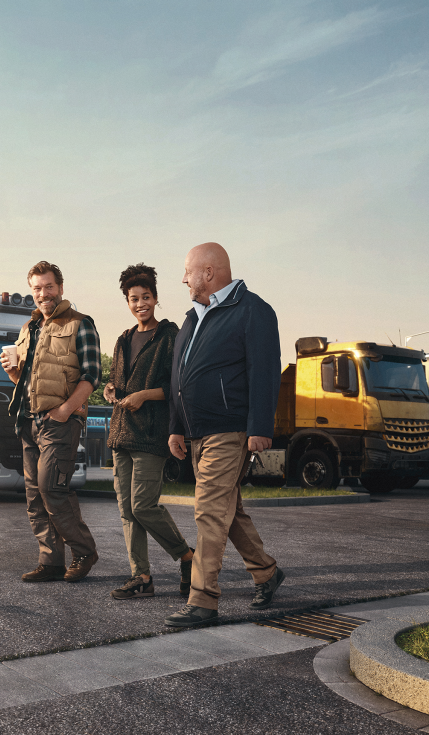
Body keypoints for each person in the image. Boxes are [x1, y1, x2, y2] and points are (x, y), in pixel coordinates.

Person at [164, 242, 285, 627]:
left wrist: (260, 428)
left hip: (228, 430)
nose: (183, 278)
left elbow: (264, 371)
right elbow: (178, 379)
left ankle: (203, 600)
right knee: (228, 513)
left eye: (188, 271)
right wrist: (176, 427)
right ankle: (267, 573)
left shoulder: (253, 311)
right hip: (196, 431)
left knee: (209, 511)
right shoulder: (192, 318)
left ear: (209, 272)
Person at [1, 261, 102, 583]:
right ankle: (52, 562)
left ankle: (84, 551)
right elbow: (27, 381)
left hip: (60, 422)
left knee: (52, 489)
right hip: (28, 421)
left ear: (60, 287)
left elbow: (92, 375)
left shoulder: (80, 324)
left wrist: (65, 410)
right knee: (34, 496)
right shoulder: (28, 329)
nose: (43, 294)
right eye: (37, 289)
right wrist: (13, 373)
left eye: (48, 287)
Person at [102, 263, 195, 601]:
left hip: (151, 435)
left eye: (145, 297)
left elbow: (175, 386)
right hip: (120, 434)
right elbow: (115, 380)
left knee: (143, 505)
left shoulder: (168, 336)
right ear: (127, 302)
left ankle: (187, 557)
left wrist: (144, 395)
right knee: (127, 510)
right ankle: (140, 576)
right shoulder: (123, 339)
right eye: (133, 298)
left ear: (156, 298)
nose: (139, 304)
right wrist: (112, 390)